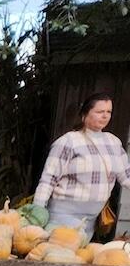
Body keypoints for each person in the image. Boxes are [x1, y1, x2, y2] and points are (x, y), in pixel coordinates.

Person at [35, 94, 129, 243]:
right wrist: (37, 210)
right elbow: (49, 178)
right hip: (62, 216)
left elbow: (126, 176)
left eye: (109, 112)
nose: (105, 116)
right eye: (99, 112)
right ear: (85, 114)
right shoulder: (68, 141)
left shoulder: (114, 143)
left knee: (77, 261)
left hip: (90, 220)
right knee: (60, 259)